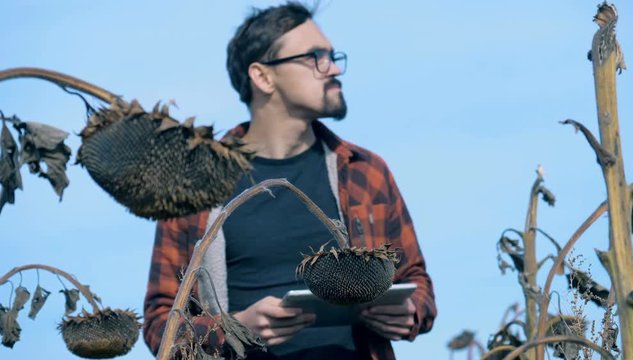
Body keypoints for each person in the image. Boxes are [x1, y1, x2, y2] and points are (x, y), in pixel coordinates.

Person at [143, 2, 436, 359]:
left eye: (332, 55)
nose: (333, 69)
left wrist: (408, 312)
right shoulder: (192, 184)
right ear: (263, 77)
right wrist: (234, 329)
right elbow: (161, 324)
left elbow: (417, 284)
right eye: (315, 57)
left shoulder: (365, 171)